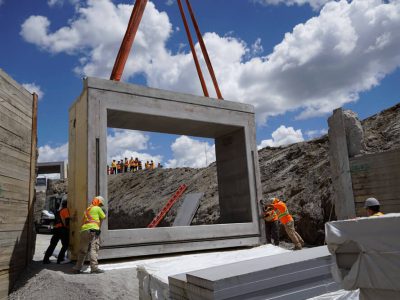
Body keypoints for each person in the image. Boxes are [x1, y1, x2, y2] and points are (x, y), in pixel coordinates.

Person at [72, 196, 106, 274]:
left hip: (84, 230)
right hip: (93, 231)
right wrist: (103, 212)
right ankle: (94, 268)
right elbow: (104, 217)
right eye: (100, 204)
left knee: (82, 251)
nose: (100, 206)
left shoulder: (87, 209)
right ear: (98, 202)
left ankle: (77, 268)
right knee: (93, 249)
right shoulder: (97, 208)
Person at [43, 200, 70, 264]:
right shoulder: (65, 210)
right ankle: (60, 259)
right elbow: (67, 221)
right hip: (62, 229)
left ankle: (46, 259)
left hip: (56, 229)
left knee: (53, 244)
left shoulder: (59, 211)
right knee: (65, 245)